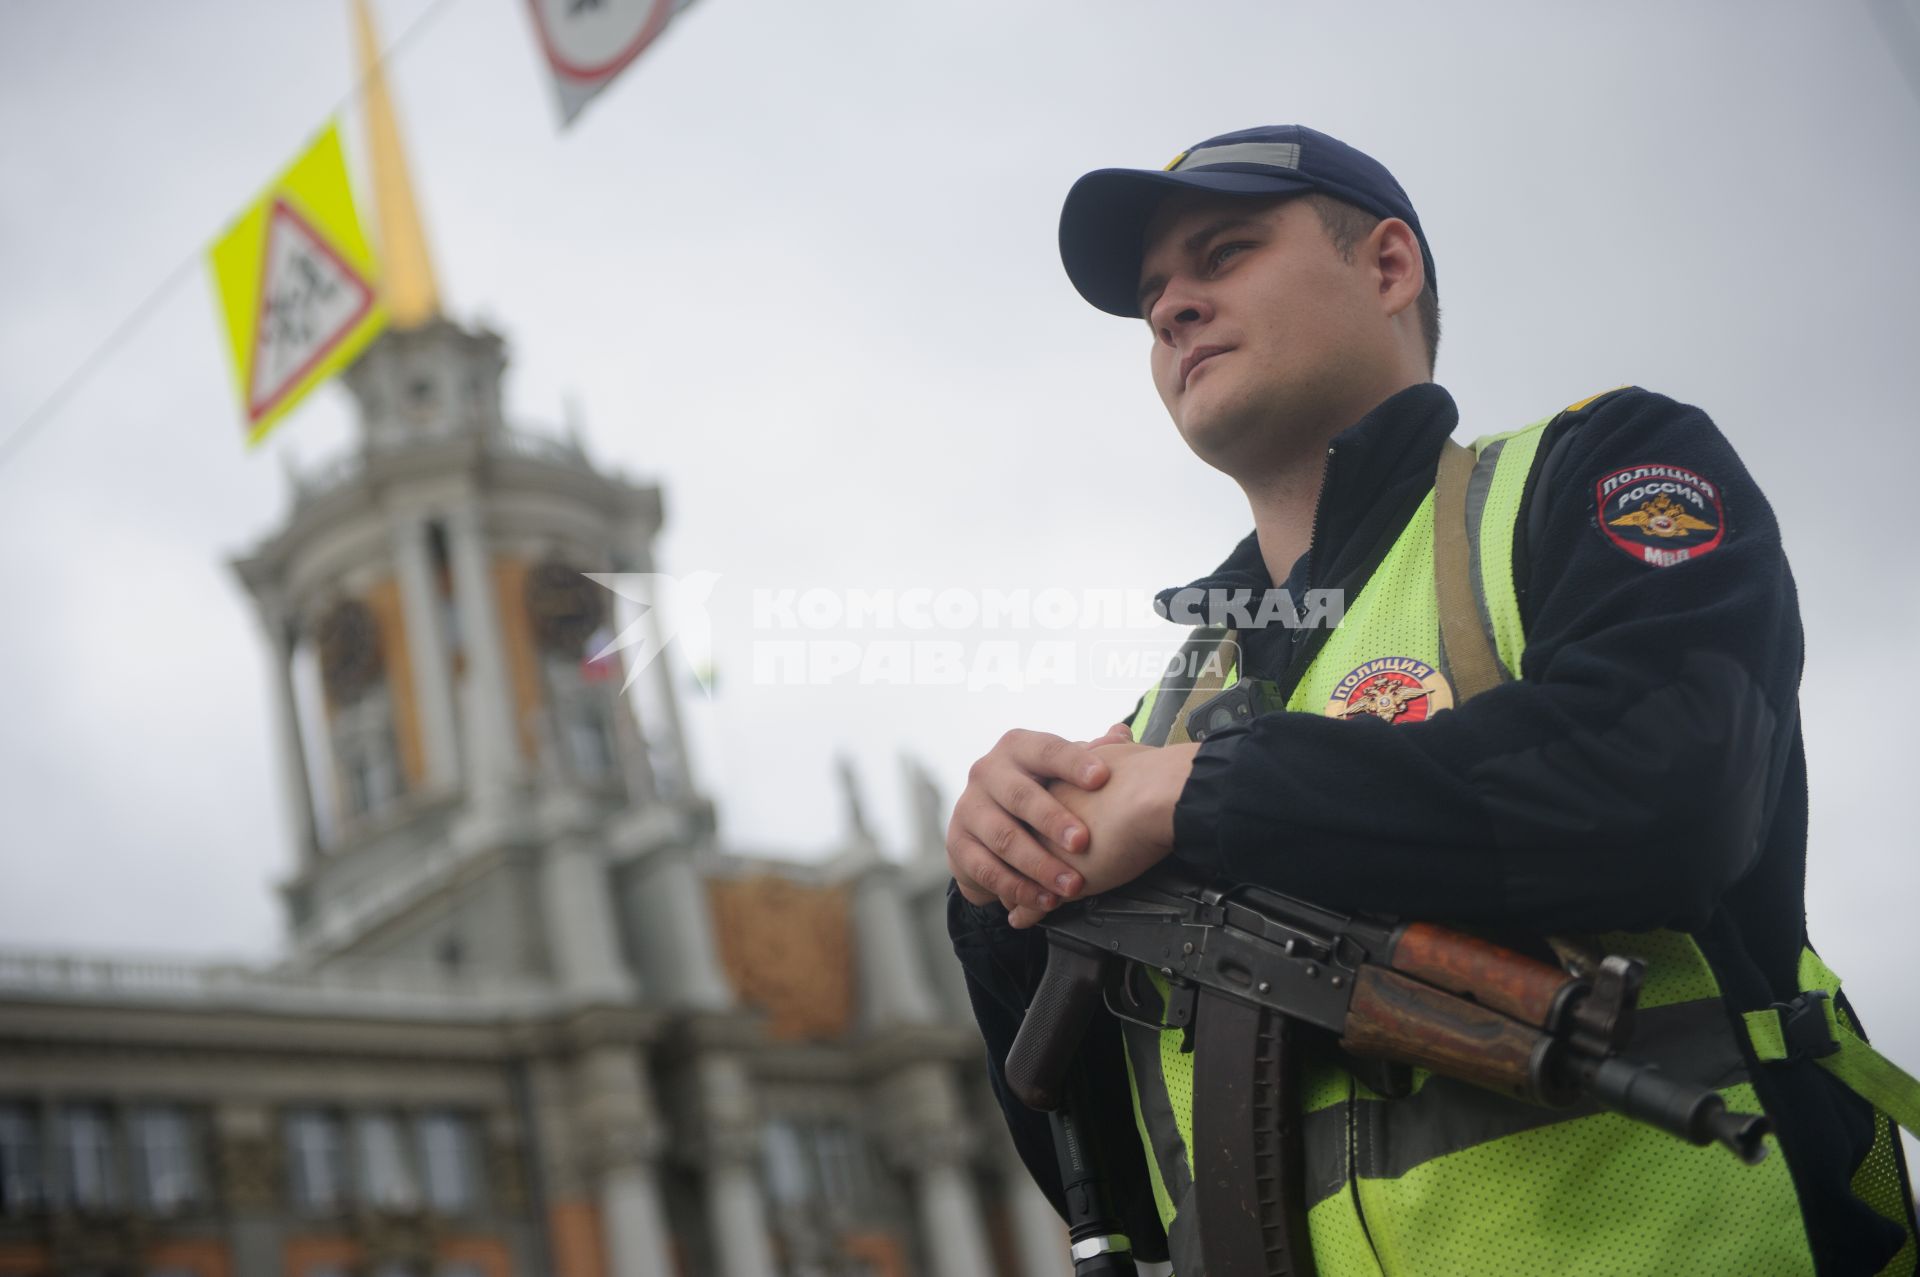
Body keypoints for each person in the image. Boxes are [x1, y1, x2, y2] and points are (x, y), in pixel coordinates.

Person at [946, 124, 1919, 1275]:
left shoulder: (1593, 474)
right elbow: (1121, 1187)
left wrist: (1206, 794)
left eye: (1225, 253)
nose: (1170, 309)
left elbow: (1663, 786)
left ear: (1389, 266)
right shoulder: (1158, 724)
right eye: (1155, 292)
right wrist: (1002, 889)